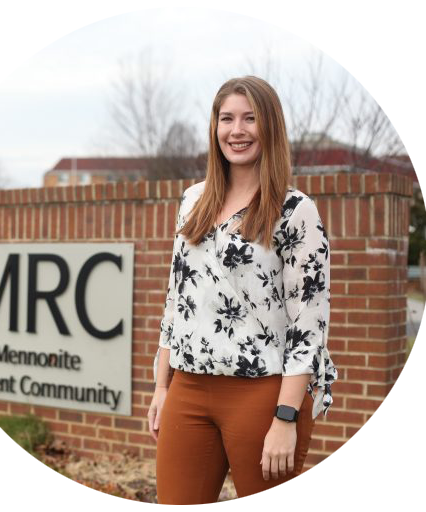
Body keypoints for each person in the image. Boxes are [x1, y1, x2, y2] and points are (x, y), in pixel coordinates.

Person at [147, 76, 338, 505]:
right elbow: (176, 298)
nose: (237, 130)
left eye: (250, 119)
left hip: (263, 393)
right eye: (227, 118)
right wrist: (162, 387)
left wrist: (286, 417)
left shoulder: (295, 210)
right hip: (189, 390)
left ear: (270, 126)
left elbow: (309, 322)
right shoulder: (192, 200)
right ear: (215, 128)